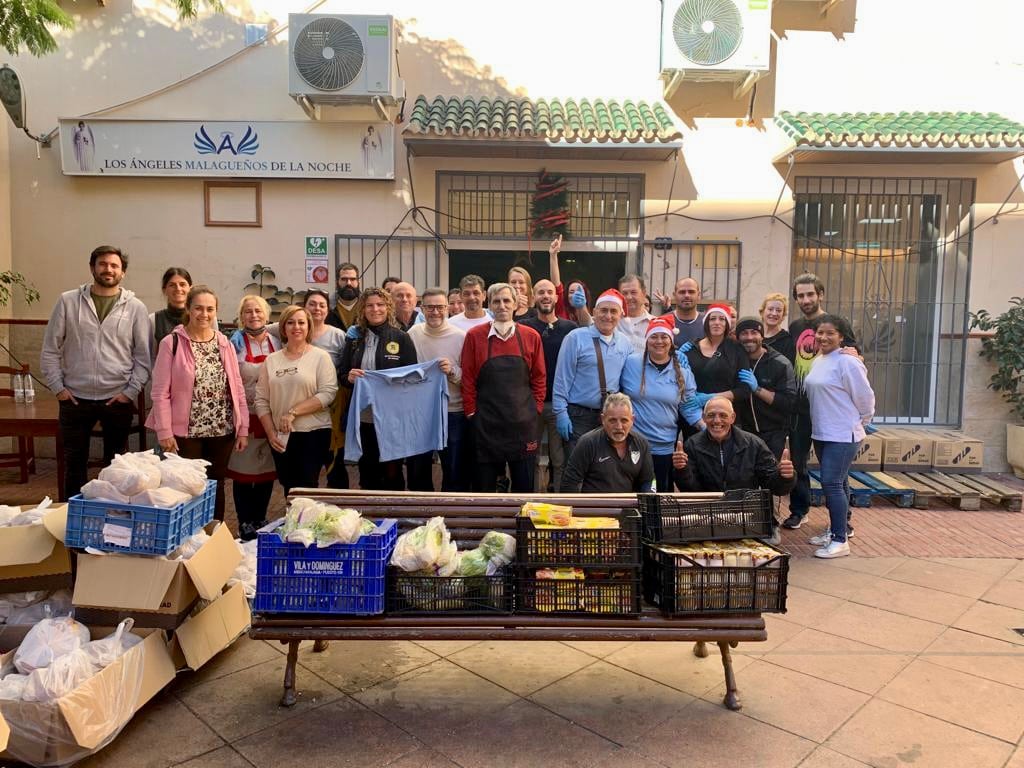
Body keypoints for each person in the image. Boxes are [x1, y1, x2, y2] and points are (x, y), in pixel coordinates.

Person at [41, 245, 151, 500]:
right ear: (92, 267)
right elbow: (50, 349)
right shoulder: (68, 301)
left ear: (123, 272)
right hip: (75, 399)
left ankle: (111, 520)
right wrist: (59, 388)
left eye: (114, 266)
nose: (108, 269)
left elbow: (143, 357)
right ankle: (72, 522)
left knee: (116, 470)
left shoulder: (135, 308)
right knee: (74, 466)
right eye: (102, 264)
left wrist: (130, 392)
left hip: (117, 398)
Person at [147, 286, 248, 521]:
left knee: (216, 484)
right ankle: (185, 537)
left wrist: (242, 428)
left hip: (222, 429)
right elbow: (160, 392)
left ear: (216, 311)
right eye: (199, 308)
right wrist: (164, 431)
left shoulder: (224, 343)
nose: (204, 314)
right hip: (185, 432)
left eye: (210, 309)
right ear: (189, 309)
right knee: (185, 486)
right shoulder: (171, 343)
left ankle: (214, 535)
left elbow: (236, 387)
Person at [783, 272, 861, 531]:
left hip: (828, 409)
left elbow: (854, 357)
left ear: (820, 294)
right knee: (798, 462)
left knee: (835, 470)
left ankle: (843, 521)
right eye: (801, 295)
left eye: (810, 294)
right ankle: (799, 510)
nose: (806, 299)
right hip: (800, 407)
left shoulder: (835, 324)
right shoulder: (794, 327)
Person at [461, 282, 546, 492]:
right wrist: (471, 412)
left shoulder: (530, 336)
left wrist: (535, 410)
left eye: (507, 300)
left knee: (523, 488)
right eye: (496, 301)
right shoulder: (474, 336)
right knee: (484, 488)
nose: (502, 306)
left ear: (516, 304)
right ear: (489, 305)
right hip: (487, 424)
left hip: (522, 425)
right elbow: (468, 378)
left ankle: (519, 525)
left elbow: (539, 377)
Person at [803, 315, 875, 559]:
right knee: (840, 482)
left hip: (842, 434)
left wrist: (861, 422)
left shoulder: (848, 362)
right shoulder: (819, 359)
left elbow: (865, 398)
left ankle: (840, 540)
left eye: (830, 333)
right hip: (822, 432)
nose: (823, 337)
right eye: (820, 333)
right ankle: (836, 528)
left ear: (842, 336)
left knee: (831, 483)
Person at [338, 288, 417, 490]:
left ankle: (394, 517)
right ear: (363, 309)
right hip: (363, 416)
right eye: (370, 305)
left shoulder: (401, 338)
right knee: (367, 469)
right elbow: (343, 375)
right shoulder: (355, 338)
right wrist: (349, 377)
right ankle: (371, 516)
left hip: (392, 417)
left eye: (380, 304)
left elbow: (412, 378)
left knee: (392, 470)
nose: (375, 309)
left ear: (388, 307)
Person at [254, 305, 338, 495]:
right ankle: (293, 523)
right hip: (281, 436)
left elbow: (328, 393)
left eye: (301, 322)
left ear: (309, 327)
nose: (296, 327)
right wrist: (270, 433)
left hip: (313, 433)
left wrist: (292, 413)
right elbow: (261, 400)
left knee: (306, 488)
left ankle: (305, 524)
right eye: (290, 323)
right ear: (283, 328)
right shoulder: (272, 360)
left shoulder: (320, 357)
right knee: (289, 487)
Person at [620, 316, 701, 492]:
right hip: (634, 444)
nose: (659, 341)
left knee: (659, 494)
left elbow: (689, 407)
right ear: (647, 340)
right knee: (633, 494)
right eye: (654, 337)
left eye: (664, 337)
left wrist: (706, 427)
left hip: (664, 448)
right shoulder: (630, 363)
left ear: (671, 342)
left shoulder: (683, 372)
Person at [552, 289, 633, 457]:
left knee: (604, 470)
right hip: (578, 416)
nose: (608, 316)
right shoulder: (575, 338)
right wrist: (560, 413)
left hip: (609, 416)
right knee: (577, 470)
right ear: (594, 312)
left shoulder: (625, 343)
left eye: (613, 311)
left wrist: (676, 358)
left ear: (621, 315)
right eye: (603, 310)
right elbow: (562, 379)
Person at [227, 295, 279, 539]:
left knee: (266, 472)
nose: (254, 315)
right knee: (244, 473)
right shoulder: (233, 344)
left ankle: (260, 517)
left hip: (270, 415)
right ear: (241, 317)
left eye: (258, 311)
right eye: (248, 311)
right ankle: (245, 521)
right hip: (246, 415)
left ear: (267, 316)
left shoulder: (277, 342)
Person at [672, 397, 795, 498]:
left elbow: (774, 488)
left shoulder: (754, 444)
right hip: (707, 511)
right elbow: (689, 490)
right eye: (711, 415)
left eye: (723, 415)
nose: (716, 420)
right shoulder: (692, 445)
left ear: (733, 418)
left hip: (744, 512)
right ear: (703, 418)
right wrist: (682, 470)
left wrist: (785, 477)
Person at [520, 278, 577, 491]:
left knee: (559, 458)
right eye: (540, 292)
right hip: (530, 404)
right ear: (534, 297)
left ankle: (560, 501)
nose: (545, 296)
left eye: (549, 292)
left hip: (560, 404)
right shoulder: (523, 328)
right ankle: (531, 501)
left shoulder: (570, 329)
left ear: (556, 296)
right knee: (530, 456)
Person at [407, 288, 467, 491]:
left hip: (452, 413)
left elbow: (470, 378)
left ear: (447, 308)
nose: (435, 312)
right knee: (418, 468)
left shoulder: (461, 337)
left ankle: (451, 513)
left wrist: (452, 371)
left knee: (453, 468)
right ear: (422, 309)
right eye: (430, 307)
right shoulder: (413, 334)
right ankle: (420, 513)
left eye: (440, 307)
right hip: (420, 413)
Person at [560, 393, 654, 493]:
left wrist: (649, 500)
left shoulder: (642, 443)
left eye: (624, 420)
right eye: (612, 420)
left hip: (628, 506)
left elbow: (648, 481)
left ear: (632, 420)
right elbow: (569, 484)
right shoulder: (587, 443)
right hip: (594, 507)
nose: (619, 426)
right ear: (603, 419)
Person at [683, 304, 751, 435]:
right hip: (695, 417)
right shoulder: (690, 348)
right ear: (706, 323)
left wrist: (711, 398)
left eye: (722, 319)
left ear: (727, 324)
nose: (717, 323)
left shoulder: (736, 349)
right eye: (712, 319)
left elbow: (744, 389)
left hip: (725, 418)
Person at [733, 317, 796, 460]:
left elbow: (789, 403)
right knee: (746, 480)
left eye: (754, 332)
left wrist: (757, 389)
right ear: (738, 337)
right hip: (743, 433)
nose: (749, 338)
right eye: (744, 333)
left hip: (774, 433)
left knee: (772, 478)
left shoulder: (780, 363)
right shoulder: (734, 359)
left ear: (762, 336)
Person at [548, 235, 593, 326]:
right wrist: (553, 255)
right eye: (571, 292)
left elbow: (587, 324)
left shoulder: (591, 316)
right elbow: (556, 283)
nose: (575, 295)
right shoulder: (561, 308)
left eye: (579, 292)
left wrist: (581, 307)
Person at [149, 267, 192, 348]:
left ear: (190, 288)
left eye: (182, 284)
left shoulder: (202, 316)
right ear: (164, 290)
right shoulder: (154, 320)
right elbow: (152, 355)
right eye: (172, 285)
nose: (178, 289)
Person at [617, 274, 655, 354]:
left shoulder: (656, 323)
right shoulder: (611, 321)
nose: (629, 297)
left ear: (644, 293)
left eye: (633, 292)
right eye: (624, 293)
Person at [664, 277, 705, 347]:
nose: (687, 295)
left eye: (691, 292)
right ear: (674, 295)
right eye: (682, 292)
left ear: (698, 295)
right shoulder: (663, 321)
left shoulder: (708, 322)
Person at [760, 292, 795, 364]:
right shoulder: (753, 335)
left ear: (783, 315)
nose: (774, 313)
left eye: (778, 310)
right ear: (762, 311)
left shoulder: (787, 341)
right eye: (770, 309)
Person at [325, 262, 360, 332]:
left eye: (352, 279)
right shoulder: (326, 308)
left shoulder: (368, 306)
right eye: (344, 279)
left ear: (358, 282)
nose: (348, 283)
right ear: (336, 282)